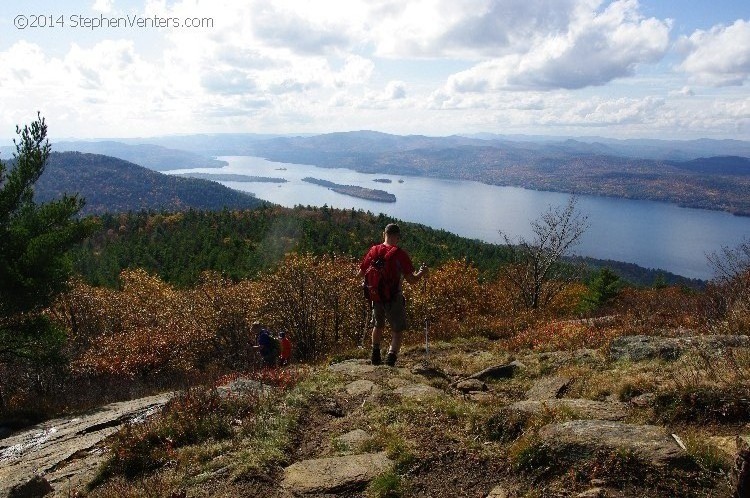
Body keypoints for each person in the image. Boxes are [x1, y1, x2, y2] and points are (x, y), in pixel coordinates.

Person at [358, 223, 428, 367]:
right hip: (393, 297)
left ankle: (375, 355)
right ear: (397, 237)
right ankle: (390, 360)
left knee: (378, 325)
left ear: (384, 234)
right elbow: (412, 280)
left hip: (376, 296)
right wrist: (422, 273)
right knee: (397, 330)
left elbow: (360, 273)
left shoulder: (373, 250)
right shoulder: (400, 254)